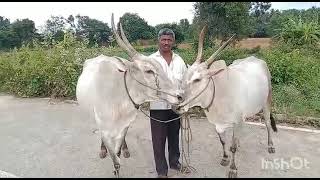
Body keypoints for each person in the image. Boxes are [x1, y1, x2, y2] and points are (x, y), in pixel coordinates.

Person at [148, 28, 187, 178]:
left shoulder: (179, 60)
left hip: (175, 106)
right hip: (158, 106)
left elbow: (184, 83)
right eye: (163, 39)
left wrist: (185, 102)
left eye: (169, 40)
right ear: (158, 40)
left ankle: (174, 162)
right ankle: (162, 171)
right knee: (158, 140)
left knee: (174, 136)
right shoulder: (151, 61)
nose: (166, 43)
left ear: (173, 42)